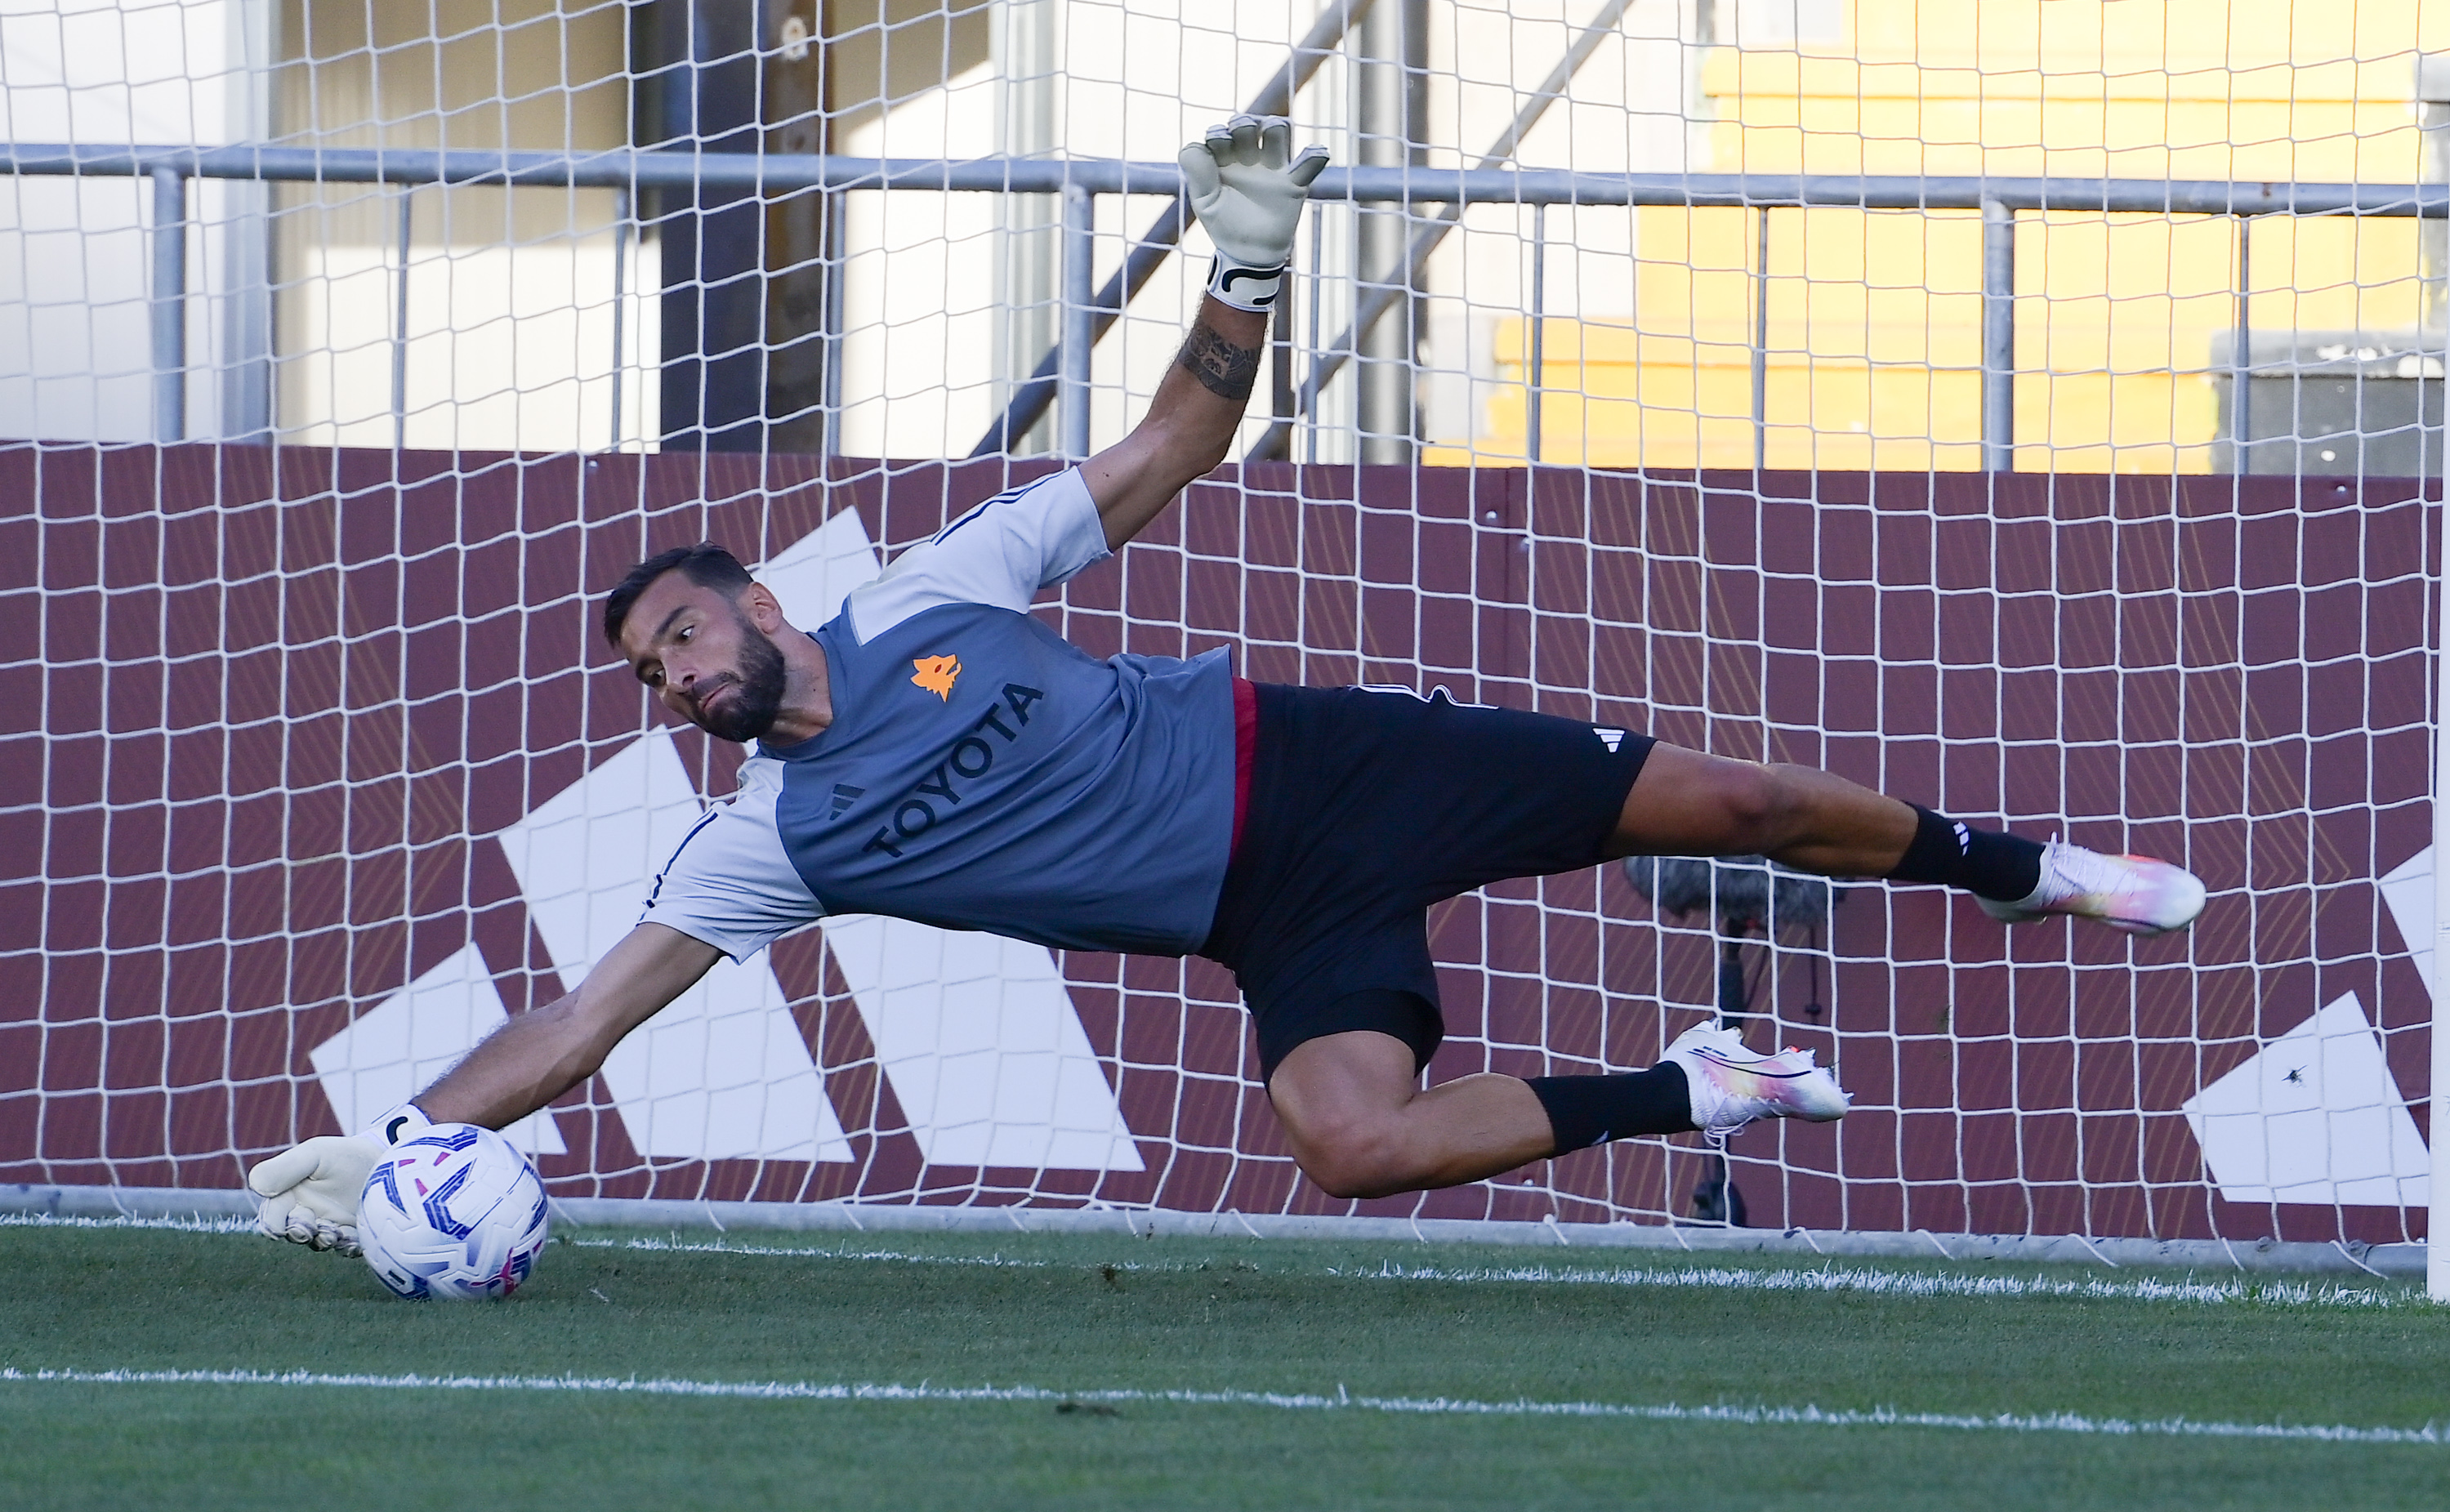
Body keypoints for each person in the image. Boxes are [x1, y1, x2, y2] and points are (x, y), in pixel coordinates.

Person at [251, 117, 2205, 1251]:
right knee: (1350, 1147)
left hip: (1329, 764)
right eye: (651, 675)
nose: (676, 679)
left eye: (683, 634)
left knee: (1751, 811)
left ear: (761, 600)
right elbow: (580, 1022)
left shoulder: (940, 586)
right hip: (1261, 913)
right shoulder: (767, 845)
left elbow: (1175, 444)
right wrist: (401, 1140)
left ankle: (2014, 862)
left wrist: (1247, 263)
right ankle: (1692, 1083)